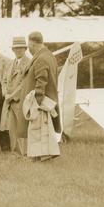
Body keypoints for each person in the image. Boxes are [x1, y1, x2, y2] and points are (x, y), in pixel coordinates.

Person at [20, 31, 61, 161]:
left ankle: (37, 158)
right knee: (44, 131)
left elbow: (41, 81)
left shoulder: (41, 58)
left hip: (40, 101)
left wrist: (36, 102)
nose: (29, 49)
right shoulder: (49, 56)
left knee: (37, 131)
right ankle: (42, 156)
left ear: (33, 44)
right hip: (47, 99)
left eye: (29, 46)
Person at [0, 36, 30, 155]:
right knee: (12, 128)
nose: (17, 51)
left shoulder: (28, 63)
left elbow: (25, 83)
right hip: (9, 101)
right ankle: (16, 152)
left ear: (25, 49)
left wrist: (12, 95)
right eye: (15, 48)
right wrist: (5, 92)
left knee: (22, 128)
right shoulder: (11, 63)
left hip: (20, 100)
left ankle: (26, 153)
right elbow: (5, 80)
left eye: (20, 48)